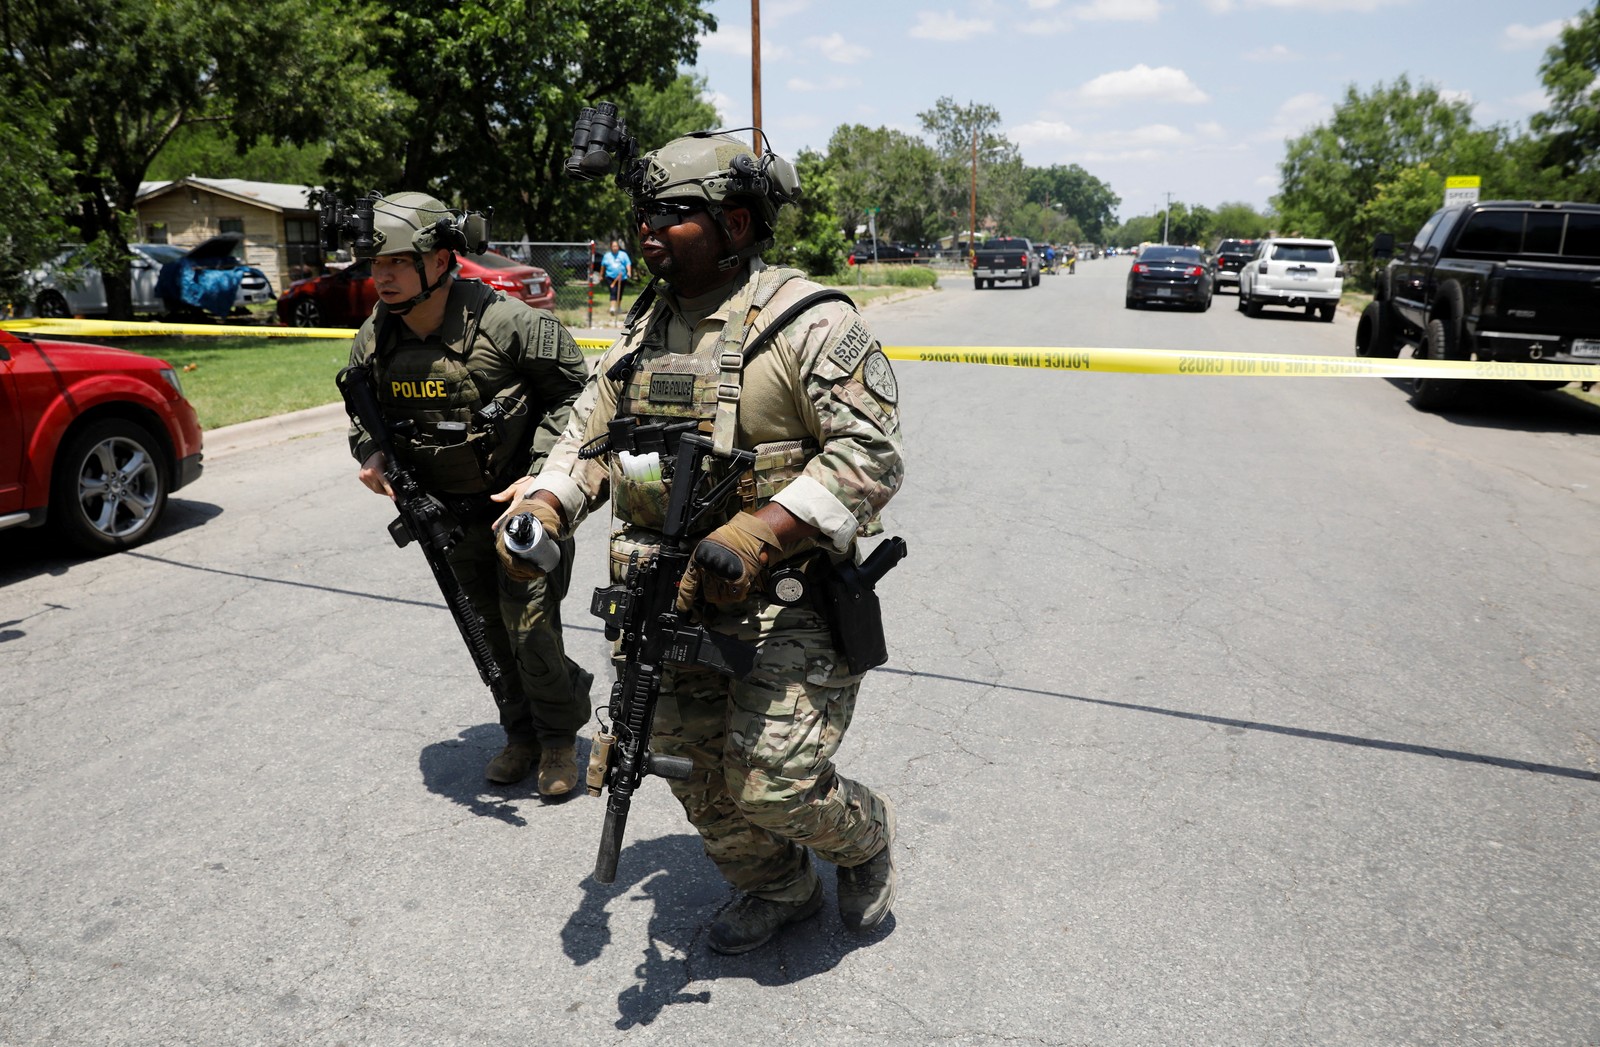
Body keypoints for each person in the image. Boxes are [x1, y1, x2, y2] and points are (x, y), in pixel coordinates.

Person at [501, 134, 905, 953]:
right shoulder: (646, 325)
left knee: (773, 783)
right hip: (668, 598)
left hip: (791, 604)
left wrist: (763, 532)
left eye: (673, 213)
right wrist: (545, 505)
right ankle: (779, 886)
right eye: (643, 212)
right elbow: (592, 436)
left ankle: (863, 839)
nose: (648, 228)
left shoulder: (809, 320)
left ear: (737, 221)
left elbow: (869, 455)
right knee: (688, 766)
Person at [344, 191, 594, 794]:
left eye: (398, 262)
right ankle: (521, 734)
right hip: (444, 516)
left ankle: (559, 739)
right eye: (376, 265)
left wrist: (540, 472)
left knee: (531, 627)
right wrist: (370, 454)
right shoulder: (375, 338)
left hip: (522, 510)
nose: (384, 276)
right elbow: (361, 412)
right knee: (482, 628)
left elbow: (576, 396)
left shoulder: (509, 322)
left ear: (440, 258)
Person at [601, 238, 632, 318]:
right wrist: (601, 275)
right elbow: (603, 266)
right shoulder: (607, 256)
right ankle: (612, 308)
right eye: (613, 246)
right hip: (610, 277)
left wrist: (629, 272)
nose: (615, 247)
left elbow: (628, 264)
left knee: (620, 292)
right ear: (611, 247)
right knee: (613, 291)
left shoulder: (623, 254)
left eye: (616, 246)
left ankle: (618, 307)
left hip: (622, 277)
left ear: (618, 247)